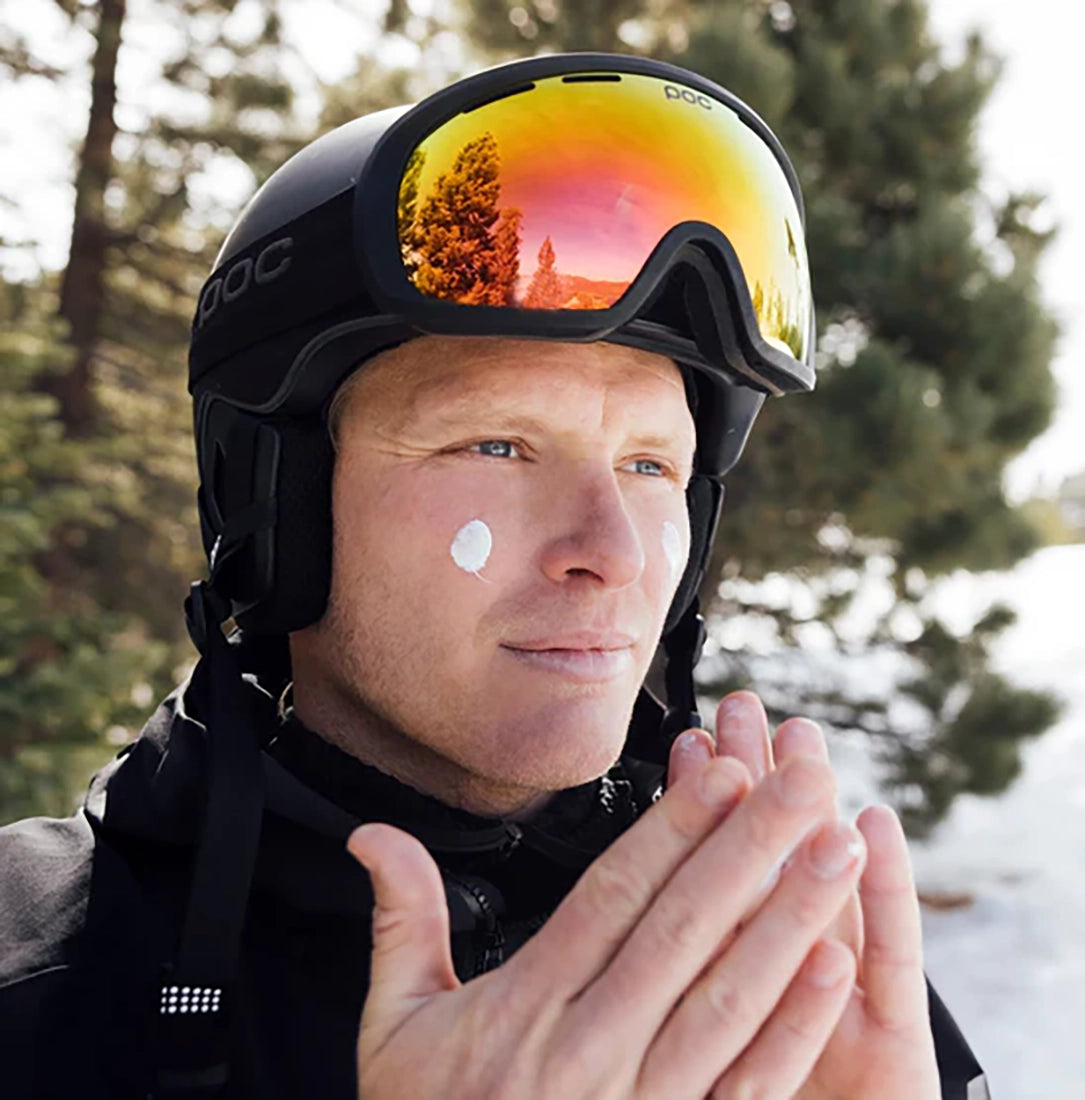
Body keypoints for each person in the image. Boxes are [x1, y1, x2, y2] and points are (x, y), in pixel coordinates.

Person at [0, 52, 989, 1099]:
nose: (607, 551)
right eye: (497, 447)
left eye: (649, 464)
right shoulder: (34, 983)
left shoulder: (785, 968)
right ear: (272, 503)